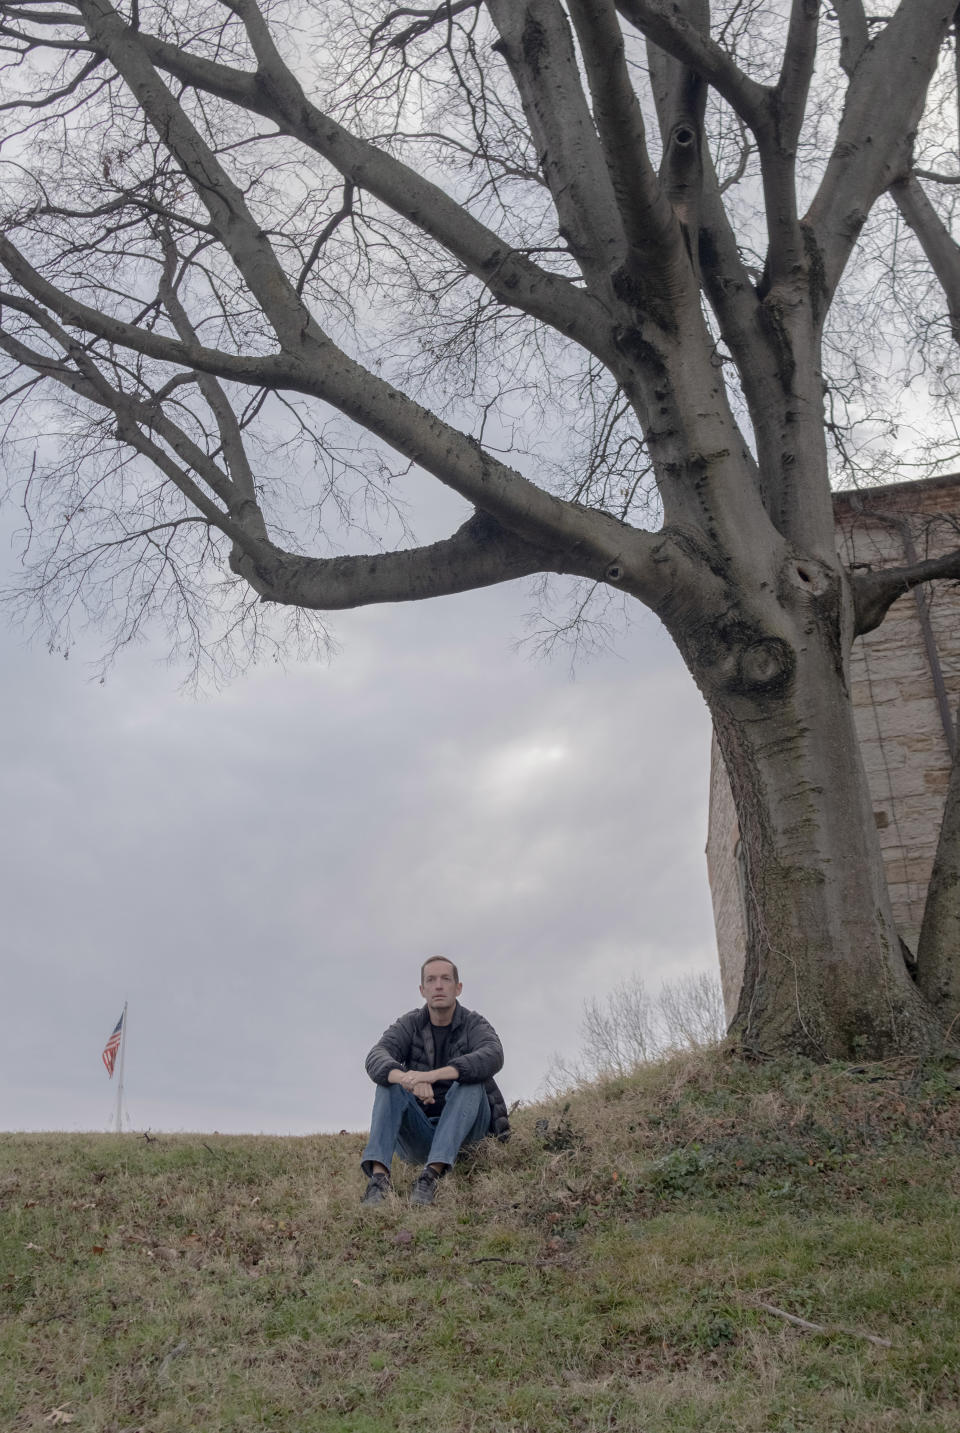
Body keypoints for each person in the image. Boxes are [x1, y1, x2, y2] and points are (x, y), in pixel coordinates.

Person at [360, 956, 509, 1206]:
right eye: (431, 980)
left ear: (458, 988)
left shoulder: (474, 1023)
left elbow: (493, 1055)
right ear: (422, 990)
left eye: (445, 979)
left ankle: (430, 1177)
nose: (438, 986)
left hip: (467, 1134)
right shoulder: (410, 1024)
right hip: (422, 1135)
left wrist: (432, 1075)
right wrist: (408, 1080)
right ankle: (378, 1180)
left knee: (470, 1080)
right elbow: (376, 1056)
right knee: (388, 1084)